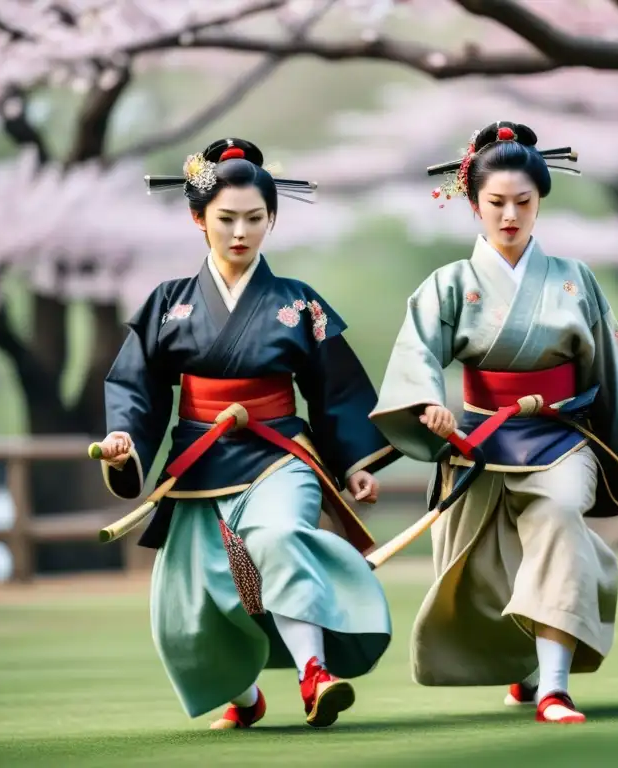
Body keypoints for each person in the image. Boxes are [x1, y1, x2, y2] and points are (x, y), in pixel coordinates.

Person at [368, 121, 618, 724]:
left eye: (523, 202)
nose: (510, 216)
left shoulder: (574, 279)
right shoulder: (449, 284)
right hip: (479, 437)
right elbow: (416, 356)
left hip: (564, 434)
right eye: (496, 203)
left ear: (540, 202)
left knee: (559, 515)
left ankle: (556, 684)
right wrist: (429, 403)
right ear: (475, 205)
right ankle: (527, 667)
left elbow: (608, 362)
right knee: (483, 565)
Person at [94, 137, 400, 730]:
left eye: (255, 219)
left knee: (280, 533)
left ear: (273, 218)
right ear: (197, 219)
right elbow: (137, 390)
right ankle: (244, 692)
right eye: (226, 219)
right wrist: (124, 440)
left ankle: (315, 675)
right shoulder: (167, 305)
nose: (240, 232)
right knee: (193, 596)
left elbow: (336, 389)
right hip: (200, 460)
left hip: (278, 452)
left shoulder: (298, 304)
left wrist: (355, 462)